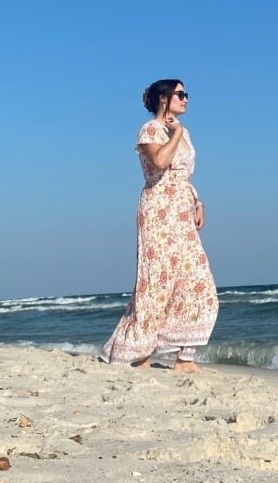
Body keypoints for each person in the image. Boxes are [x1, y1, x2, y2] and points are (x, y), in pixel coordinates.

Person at [100, 79, 218, 373]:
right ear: (164, 98)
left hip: (182, 212)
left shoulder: (184, 132)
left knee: (197, 281)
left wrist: (197, 202)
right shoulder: (150, 130)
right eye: (181, 94)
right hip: (158, 212)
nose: (186, 99)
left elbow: (184, 176)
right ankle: (137, 353)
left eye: (186, 94)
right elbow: (161, 162)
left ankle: (184, 358)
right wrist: (174, 132)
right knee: (155, 284)